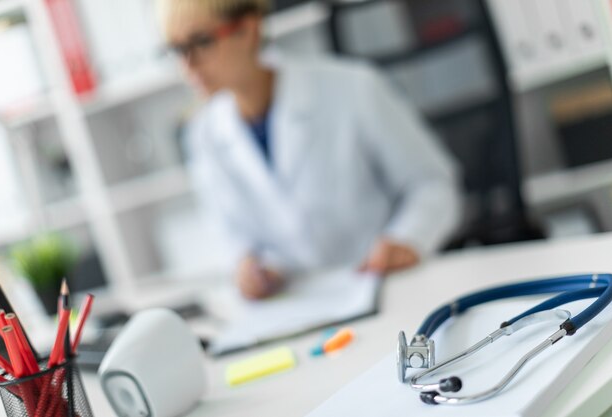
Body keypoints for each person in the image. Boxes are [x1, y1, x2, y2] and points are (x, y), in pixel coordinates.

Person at [156, 0, 461, 299]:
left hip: (388, 286)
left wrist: (407, 239)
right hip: (299, 302)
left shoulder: (353, 87)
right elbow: (233, 236)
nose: (188, 64)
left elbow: (432, 183)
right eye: (176, 49)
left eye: (200, 42)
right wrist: (247, 267)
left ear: (248, 30)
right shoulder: (203, 135)